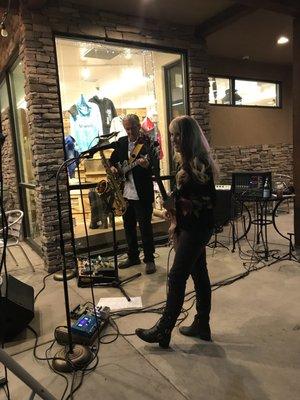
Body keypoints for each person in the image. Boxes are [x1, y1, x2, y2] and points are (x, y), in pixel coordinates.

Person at [135, 115, 218, 348]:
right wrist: (176, 203)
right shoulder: (189, 161)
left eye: (177, 135)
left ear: (188, 136)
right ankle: (202, 324)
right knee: (199, 274)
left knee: (176, 275)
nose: (173, 140)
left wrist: (178, 204)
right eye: (171, 135)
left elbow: (207, 201)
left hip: (196, 229)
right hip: (192, 227)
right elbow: (188, 197)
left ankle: (164, 329)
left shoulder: (199, 163)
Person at [109, 114, 156, 274]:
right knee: (128, 227)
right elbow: (112, 161)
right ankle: (133, 256)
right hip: (125, 193)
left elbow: (154, 164)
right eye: (127, 129)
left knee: (145, 228)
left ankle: (149, 259)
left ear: (138, 126)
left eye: (132, 128)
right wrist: (115, 168)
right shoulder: (121, 142)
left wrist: (146, 165)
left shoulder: (147, 142)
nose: (129, 132)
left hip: (142, 193)